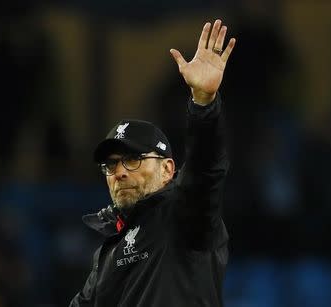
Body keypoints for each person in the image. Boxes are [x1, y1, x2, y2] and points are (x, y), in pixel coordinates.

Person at [70, 19, 236, 307]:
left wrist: (204, 104)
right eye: (111, 165)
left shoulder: (184, 214)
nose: (119, 172)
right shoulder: (108, 251)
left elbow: (206, 168)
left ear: (168, 169)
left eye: (133, 159)